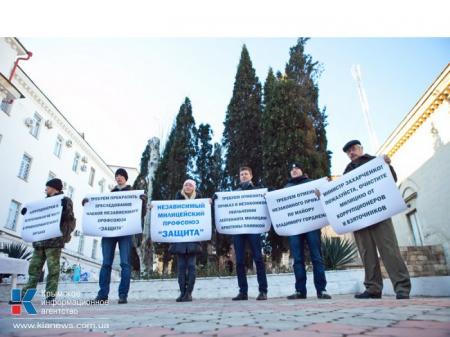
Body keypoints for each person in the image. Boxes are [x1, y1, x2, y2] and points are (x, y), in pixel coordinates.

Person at [342, 140, 411, 300]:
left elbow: (391, 179)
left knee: (389, 249)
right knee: (366, 253)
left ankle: (402, 287)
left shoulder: (375, 161)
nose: (351, 152)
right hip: (360, 217)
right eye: (348, 151)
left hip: (379, 212)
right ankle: (373, 288)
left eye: (353, 149)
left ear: (361, 149)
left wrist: (387, 165)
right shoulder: (346, 172)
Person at [85, 168, 147, 304]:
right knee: (106, 263)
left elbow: (140, 215)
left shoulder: (133, 194)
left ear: (125, 178)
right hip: (108, 232)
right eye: (117, 176)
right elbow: (99, 209)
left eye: (121, 176)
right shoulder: (109, 195)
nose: (118, 178)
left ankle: (123, 295)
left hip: (125, 233)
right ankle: (102, 295)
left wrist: (142, 203)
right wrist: (88, 204)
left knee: (125, 263)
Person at [21, 178, 76, 303]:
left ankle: (50, 296)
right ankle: (26, 295)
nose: (45, 189)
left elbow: (69, 217)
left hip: (54, 241)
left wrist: (64, 209)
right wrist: (27, 212)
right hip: (40, 241)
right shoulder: (44, 202)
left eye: (47, 187)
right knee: (34, 269)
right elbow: (36, 216)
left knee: (53, 269)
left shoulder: (65, 200)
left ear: (54, 187)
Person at [284, 163, 331, 300]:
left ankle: (321, 289)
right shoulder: (286, 188)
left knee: (316, 257)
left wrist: (322, 190)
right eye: (291, 169)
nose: (294, 171)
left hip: (312, 225)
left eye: (296, 168)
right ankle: (300, 291)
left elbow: (322, 197)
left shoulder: (312, 183)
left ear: (302, 170)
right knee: (297, 259)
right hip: (295, 227)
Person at [231, 166, 268, 301]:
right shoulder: (234, 193)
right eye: (241, 174)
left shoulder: (258, 191)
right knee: (239, 261)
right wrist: (216, 200)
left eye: (246, 174)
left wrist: (267, 196)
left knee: (258, 258)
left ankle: (263, 291)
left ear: (251, 176)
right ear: (239, 177)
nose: (244, 176)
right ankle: (243, 292)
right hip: (238, 229)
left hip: (253, 229)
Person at [168, 179, 203, 302]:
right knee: (181, 267)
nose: (187, 186)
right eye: (185, 185)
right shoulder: (176, 200)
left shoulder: (200, 201)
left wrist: (211, 202)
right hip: (180, 239)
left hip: (193, 239)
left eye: (190, 185)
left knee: (192, 266)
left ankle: (189, 293)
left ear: (194, 188)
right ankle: (182, 292)